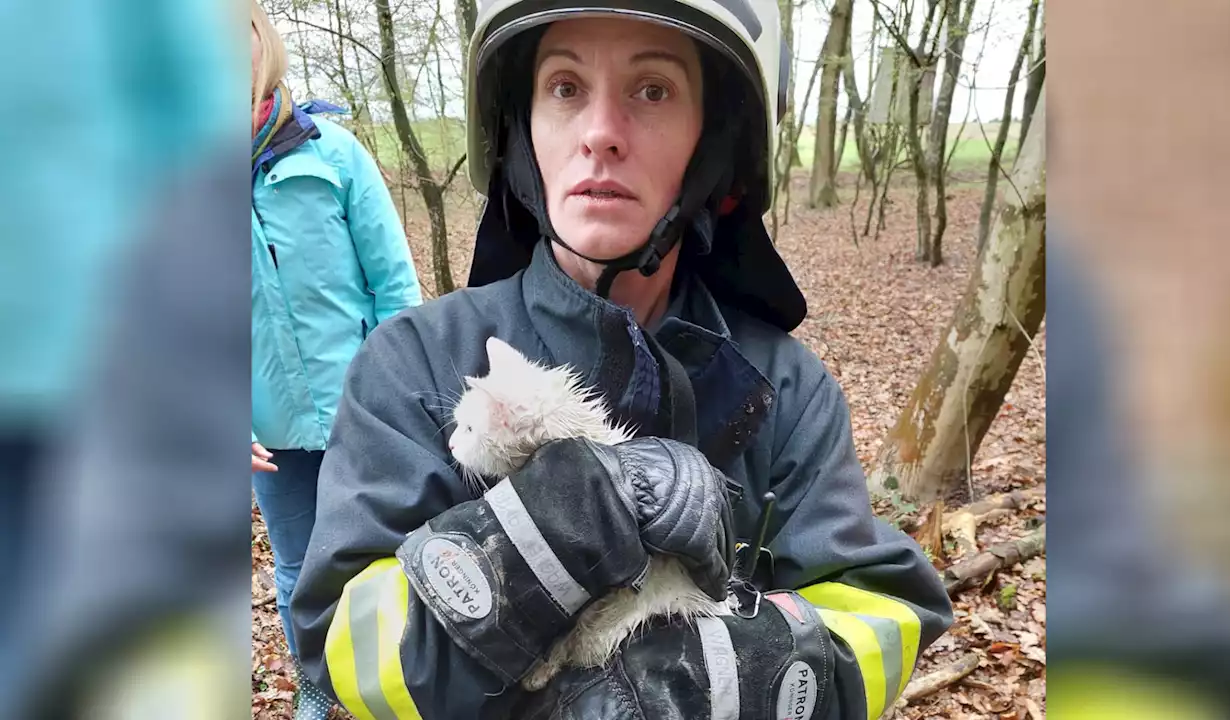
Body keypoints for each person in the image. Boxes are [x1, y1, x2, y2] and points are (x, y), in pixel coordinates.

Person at [290, 0, 953, 717]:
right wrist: (524, 547)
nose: (601, 134)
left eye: (653, 90)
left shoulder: (787, 391)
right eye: (566, 88)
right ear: (521, 132)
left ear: (713, 145)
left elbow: (882, 612)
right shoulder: (414, 365)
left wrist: (753, 676)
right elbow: (338, 647)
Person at [250, 3, 423, 717]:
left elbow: (395, 287)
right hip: (272, 433)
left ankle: (416, 681)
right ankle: (317, 691)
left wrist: (406, 397)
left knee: (396, 557)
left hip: (367, 413)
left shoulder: (335, 154)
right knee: (296, 574)